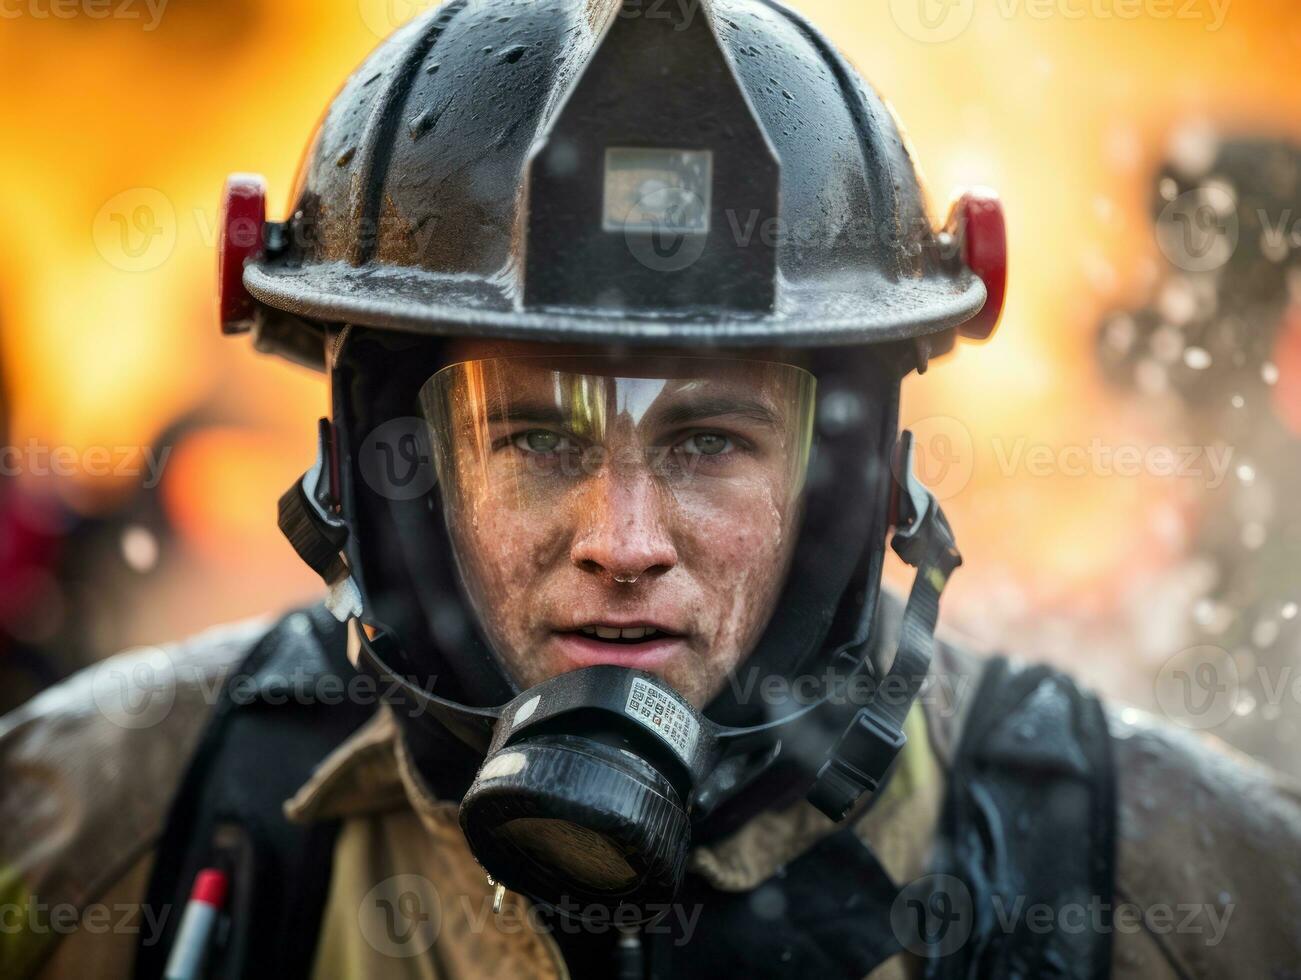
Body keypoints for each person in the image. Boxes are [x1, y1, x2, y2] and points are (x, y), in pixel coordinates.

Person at [2, 1, 1299, 978]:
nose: (623, 545)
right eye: (535, 438)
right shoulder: (132, 807)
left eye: (709, 442)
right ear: (387, 475)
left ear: (848, 483)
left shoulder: (1148, 871)